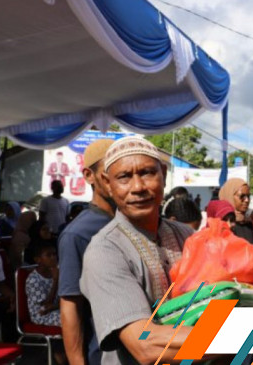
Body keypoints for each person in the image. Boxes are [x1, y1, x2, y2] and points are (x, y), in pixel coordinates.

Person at [80, 137, 195, 364]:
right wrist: (251, 334)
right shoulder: (105, 251)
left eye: (147, 172)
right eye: (124, 177)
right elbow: (146, 345)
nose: (138, 187)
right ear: (107, 183)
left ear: (163, 173)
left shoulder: (188, 236)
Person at [58, 139, 114, 365]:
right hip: (101, 354)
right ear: (89, 175)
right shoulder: (78, 234)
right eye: (110, 171)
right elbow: (70, 303)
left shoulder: (138, 223)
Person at [26, 242, 61, 326]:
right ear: (38, 260)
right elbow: (46, 305)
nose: (53, 257)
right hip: (42, 315)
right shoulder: (33, 279)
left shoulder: (58, 270)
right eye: (48, 255)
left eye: (54, 254)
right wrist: (56, 280)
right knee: (69, 318)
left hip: (57, 308)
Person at [219, 178, 253, 244]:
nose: (247, 200)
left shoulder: (248, 224)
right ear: (229, 196)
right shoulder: (222, 225)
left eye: (248, 196)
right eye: (242, 196)